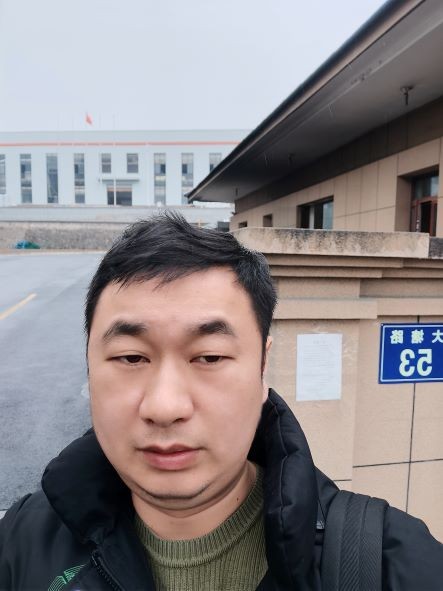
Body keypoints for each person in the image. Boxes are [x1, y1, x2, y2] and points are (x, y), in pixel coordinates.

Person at [0, 213, 442, 591]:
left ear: (263, 366)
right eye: (131, 357)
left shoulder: (394, 566)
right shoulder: (21, 543)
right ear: (89, 365)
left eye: (209, 357)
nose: (165, 407)